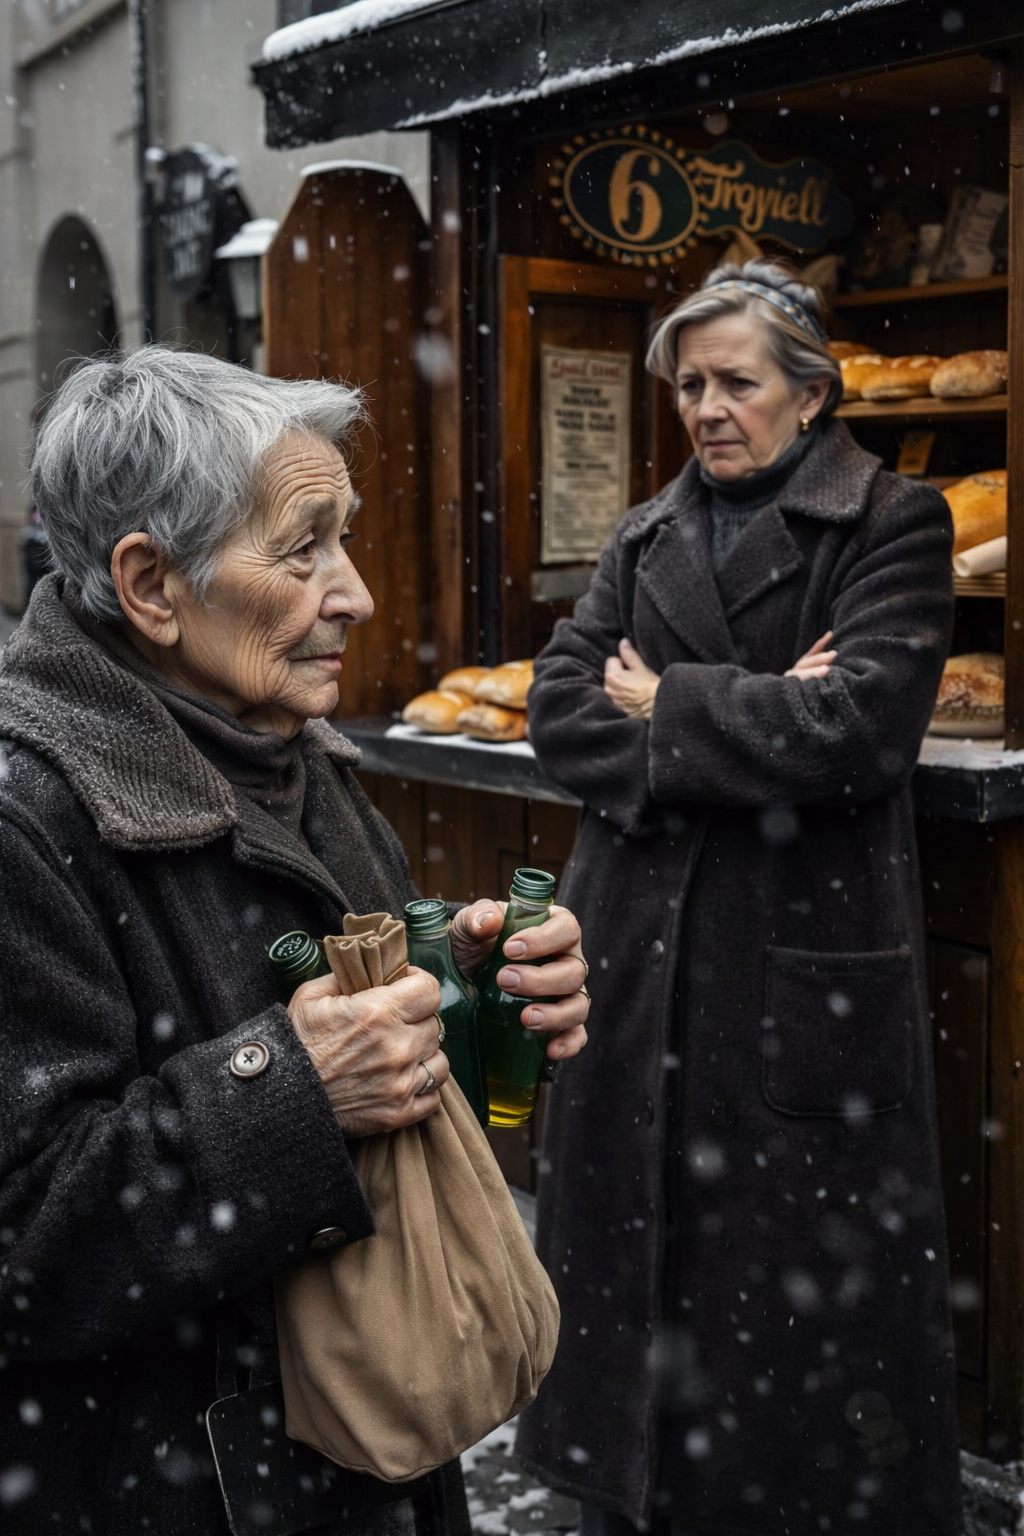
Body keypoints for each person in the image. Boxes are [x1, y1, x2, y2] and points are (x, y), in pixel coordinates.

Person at [0, 348, 589, 1535]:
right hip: (166, 1484)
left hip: (347, 1450)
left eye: (344, 537)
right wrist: (292, 1090)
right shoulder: (26, 819)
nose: (356, 593)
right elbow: (25, 1243)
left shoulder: (284, 747)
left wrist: (465, 996)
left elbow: (338, 1050)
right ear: (152, 584)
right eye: (303, 545)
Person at [516, 259, 960, 1536]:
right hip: (637, 953)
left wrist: (666, 698)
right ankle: (624, 1496)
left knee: (792, 1308)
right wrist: (749, 712)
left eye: (737, 383)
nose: (707, 408)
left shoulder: (891, 522)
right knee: (631, 1260)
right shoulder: (646, 532)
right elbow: (558, 714)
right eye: (690, 385)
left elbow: (860, 729)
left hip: (794, 967)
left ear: (810, 396)